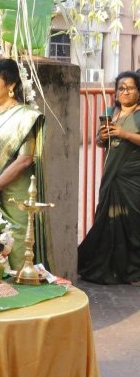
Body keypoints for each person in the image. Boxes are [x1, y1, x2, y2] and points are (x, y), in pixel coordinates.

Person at [0, 58, 52, 271]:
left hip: (15, 195)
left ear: (11, 84)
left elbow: (25, 160)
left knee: (18, 249)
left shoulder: (26, 117)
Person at [78, 70, 140, 285]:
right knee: (108, 222)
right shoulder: (110, 112)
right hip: (111, 176)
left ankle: (135, 271)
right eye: (121, 88)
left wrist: (125, 134)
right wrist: (101, 137)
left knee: (133, 223)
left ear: (139, 91)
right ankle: (111, 268)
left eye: (130, 88)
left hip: (133, 177)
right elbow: (100, 143)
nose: (125, 92)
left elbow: (126, 137)